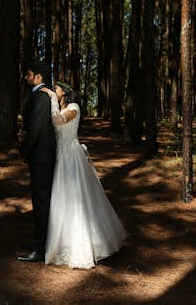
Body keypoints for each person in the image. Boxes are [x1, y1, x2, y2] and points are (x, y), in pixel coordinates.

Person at [40, 83, 127, 269]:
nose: (54, 91)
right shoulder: (61, 107)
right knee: (62, 198)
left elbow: (58, 121)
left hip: (71, 156)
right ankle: (62, 241)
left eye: (56, 89)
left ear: (64, 91)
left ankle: (82, 246)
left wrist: (52, 100)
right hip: (60, 155)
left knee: (76, 198)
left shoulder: (73, 108)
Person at [18, 61, 56, 262]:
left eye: (29, 74)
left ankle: (42, 249)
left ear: (39, 77)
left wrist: (24, 151)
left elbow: (38, 129)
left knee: (42, 201)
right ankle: (39, 239)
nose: (26, 77)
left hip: (42, 157)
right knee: (39, 199)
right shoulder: (38, 96)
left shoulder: (41, 98)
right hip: (39, 155)